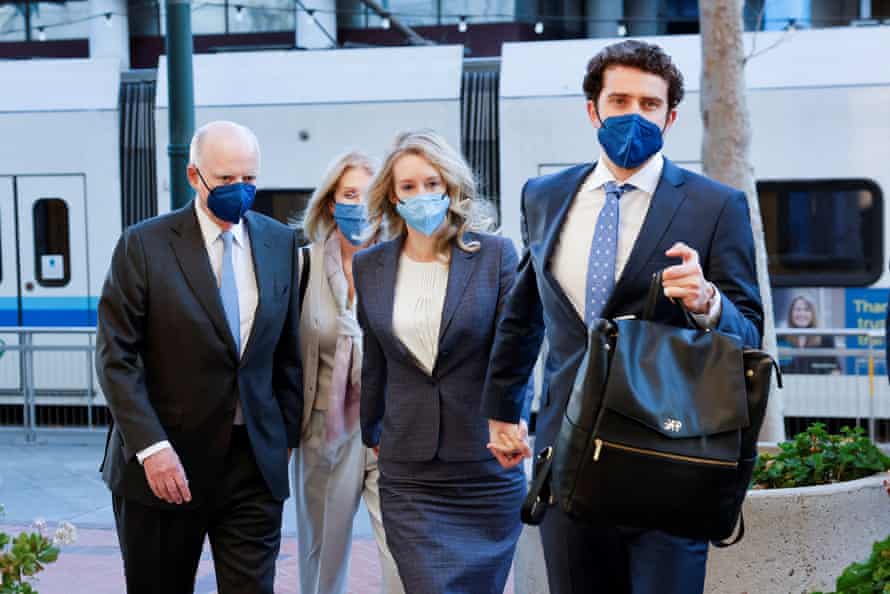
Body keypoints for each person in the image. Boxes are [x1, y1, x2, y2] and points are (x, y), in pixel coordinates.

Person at [481, 40, 764, 594]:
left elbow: (749, 331)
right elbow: (525, 311)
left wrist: (708, 301)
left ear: (671, 116)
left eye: (650, 104)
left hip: (671, 454)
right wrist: (501, 408)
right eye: (619, 100)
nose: (634, 115)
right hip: (568, 452)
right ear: (594, 110)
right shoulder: (544, 195)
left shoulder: (715, 205)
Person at [96, 120, 302, 593]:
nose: (241, 190)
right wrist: (151, 448)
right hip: (164, 467)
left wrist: (283, 435)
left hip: (252, 466)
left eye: (249, 179)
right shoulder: (143, 245)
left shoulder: (279, 242)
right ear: (194, 176)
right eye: (226, 179)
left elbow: (287, 352)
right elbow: (116, 357)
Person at [353, 130, 531, 594]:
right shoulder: (371, 265)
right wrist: (371, 430)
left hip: (484, 463)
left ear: (451, 187)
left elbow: (514, 350)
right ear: (392, 195)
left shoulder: (494, 256)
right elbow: (375, 360)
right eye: (409, 186)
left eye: (432, 183)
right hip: (409, 473)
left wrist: (512, 418)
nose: (422, 195)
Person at [292, 151, 403, 594]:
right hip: (323, 432)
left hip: (389, 430)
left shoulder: (403, 263)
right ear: (331, 203)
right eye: (348, 194)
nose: (358, 206)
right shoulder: (303, 266)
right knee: (322, 560)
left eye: (366, 195)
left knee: (402, 559)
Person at [779, 295, 840, 374]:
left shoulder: (826, 339)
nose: (802, 313)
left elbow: (836, 369)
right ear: (791, 313)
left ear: (812, 314)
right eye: (798, 310)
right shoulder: (780, 338)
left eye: (806, 310)